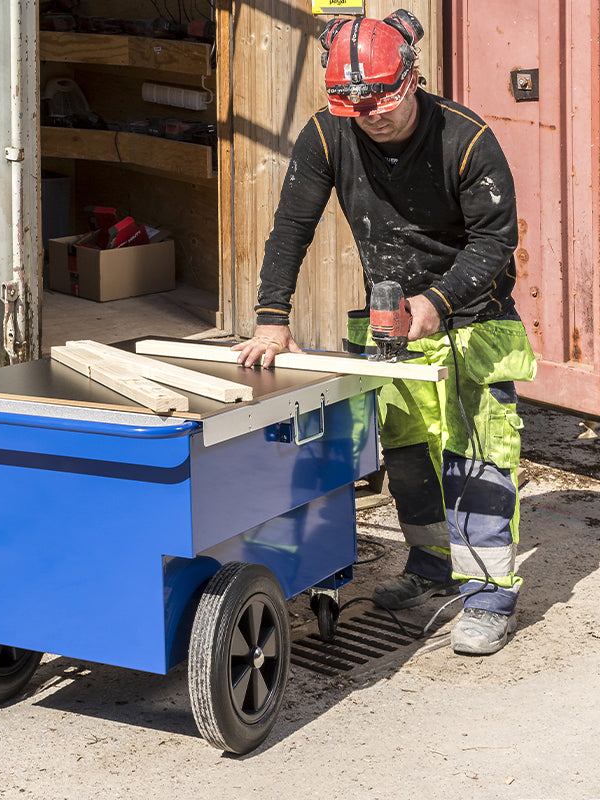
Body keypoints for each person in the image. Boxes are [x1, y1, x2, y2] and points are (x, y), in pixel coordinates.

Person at [232, 9, 537, 655]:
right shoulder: (328, 134)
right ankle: (430, 567)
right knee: (406, 455)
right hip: (392, 323)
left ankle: (488, 597)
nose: (370, 117)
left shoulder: (467, 140)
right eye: (356, 107)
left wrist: (438, 301)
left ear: (411, 77)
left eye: (381, 104)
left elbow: (495, 242)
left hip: (473, 320)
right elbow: (291, 228)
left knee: (477, 460)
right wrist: (272, 318)